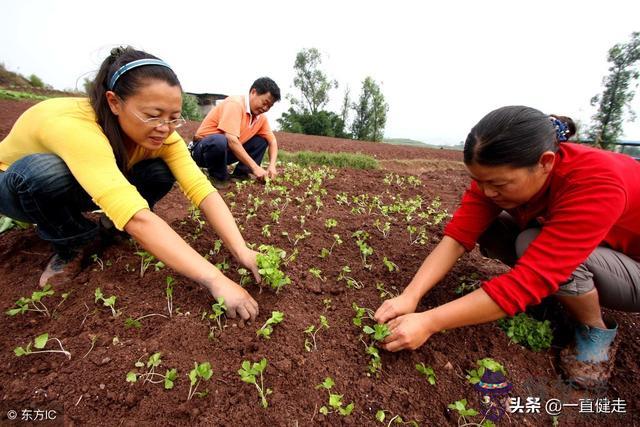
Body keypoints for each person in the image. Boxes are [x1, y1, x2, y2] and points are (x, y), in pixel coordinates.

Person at [375, 106, 640, 387]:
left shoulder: (595, 182)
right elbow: (457, 237)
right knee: (490, 227)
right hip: (599, 248)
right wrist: (410, 295)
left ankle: (593, 330)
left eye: (499, 184)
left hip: (633, 269)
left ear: (545, 163)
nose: (488, 192)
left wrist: (429, 322)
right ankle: (556, 295)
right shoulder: (497, 176)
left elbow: (528, 280)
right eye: (479, 181)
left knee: (532, 244)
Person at [0, 46, 261, 322]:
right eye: (152, 115)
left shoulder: (165, 135)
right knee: (43, 172)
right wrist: (215, 279)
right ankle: (73, 241)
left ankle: (111, 225)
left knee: (159, 170)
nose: (165, 127)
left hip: (83, 181)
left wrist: (242, 249)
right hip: (16, 187)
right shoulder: (74, 126)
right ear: (114, 102)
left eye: (174, 117)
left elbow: (202, 190)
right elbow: (137, 218)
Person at [189, 77, 281, 189]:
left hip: (225, 153)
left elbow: (272, 141)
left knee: (261, 140)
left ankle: (240, 175)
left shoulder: (261, 118)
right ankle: (217, 177)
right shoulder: (235, 104)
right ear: (253, 92)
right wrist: (255, 168)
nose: (265, 108)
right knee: (220, 140)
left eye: (269, 106)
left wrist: (272, 166)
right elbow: (231, 140)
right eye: (264, 102)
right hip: (203, 151)